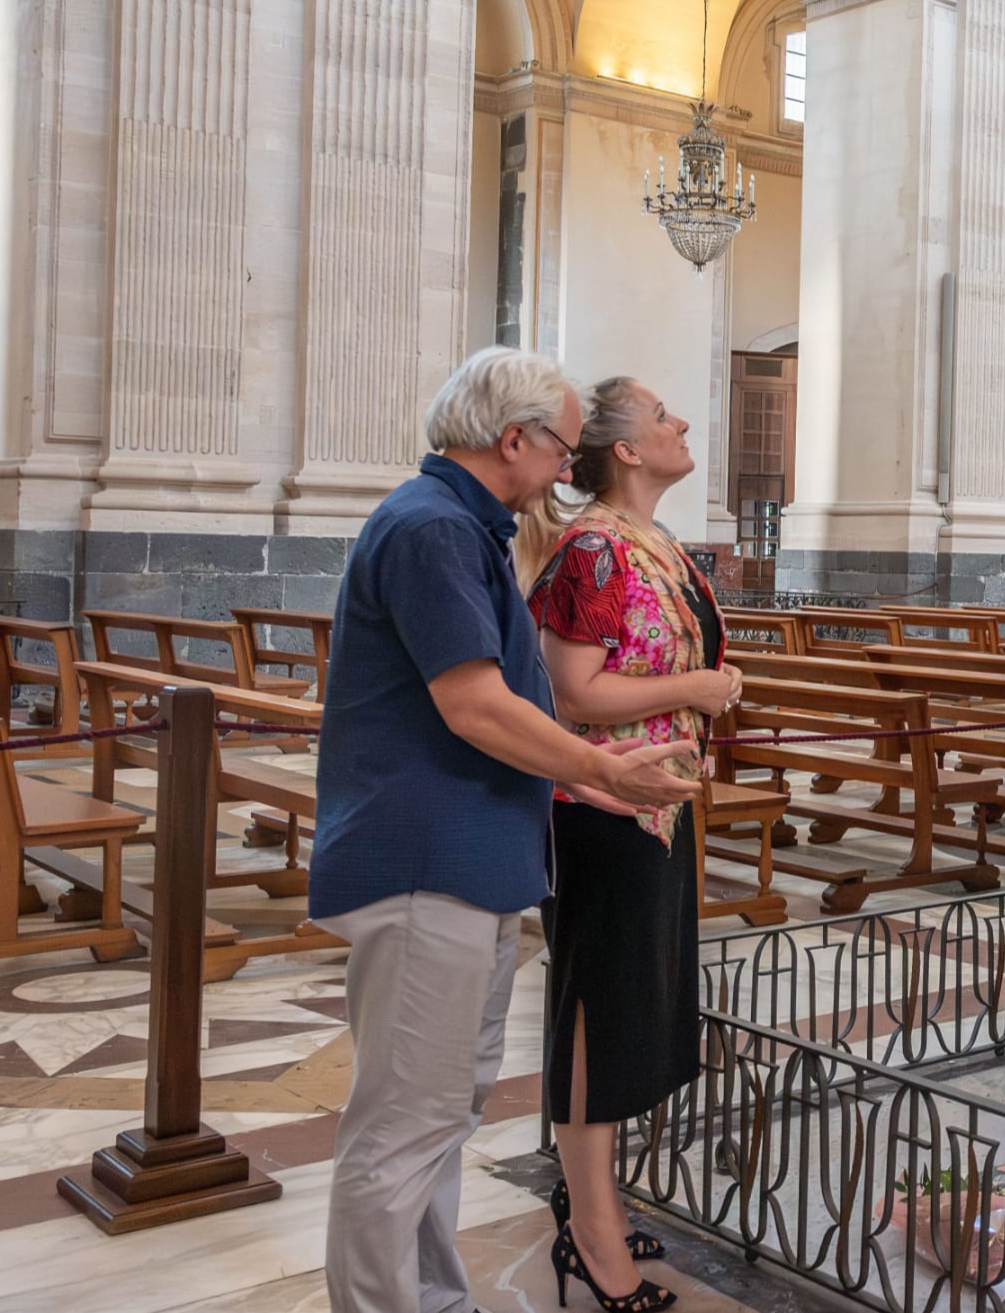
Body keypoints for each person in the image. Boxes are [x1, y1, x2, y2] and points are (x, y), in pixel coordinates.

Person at [307, 347, 703, 1313]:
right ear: (513, 436)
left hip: (470, 862)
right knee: (401, 1129)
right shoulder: (432, 525)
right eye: (565, 449)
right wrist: (602, 765)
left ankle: (436, 1299)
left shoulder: (468, 526)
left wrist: (594, 785)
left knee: (440, 1116)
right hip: (423, 864)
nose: (570, 469)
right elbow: (475, 705)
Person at [522, 377, 743, 1313]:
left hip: (653, 805)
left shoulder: (647, 542)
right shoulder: (590, 549)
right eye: (663, 416)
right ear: (625, 450)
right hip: (599, 807)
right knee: (593, 1015)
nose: (681, 423)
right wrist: (694, 692)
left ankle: (592, 1199)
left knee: (626, 1011)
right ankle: (594, 1238)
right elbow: (574, 693)